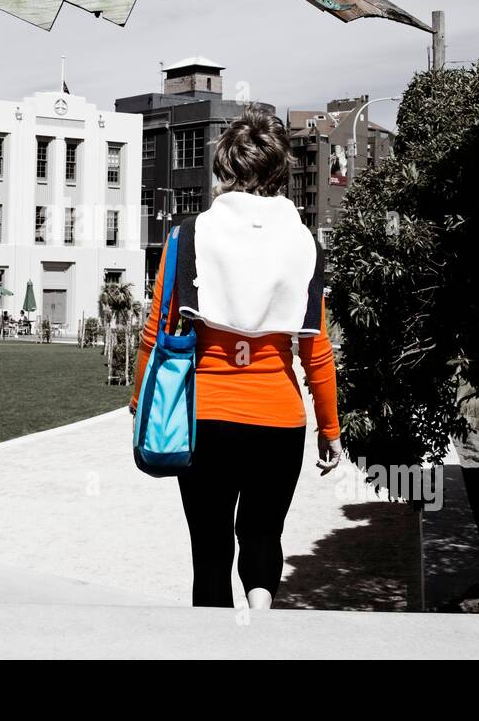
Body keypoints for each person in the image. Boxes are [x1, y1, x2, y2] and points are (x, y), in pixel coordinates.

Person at [130, 108, 341, 609]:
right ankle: (261, 624)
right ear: (280, 172)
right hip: (279, 420)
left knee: (210, 552)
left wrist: (140, 400)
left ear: (224, 169)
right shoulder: (303, 244)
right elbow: (316, 349)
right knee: (263, 535)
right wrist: (330, 429)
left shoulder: (190, 236)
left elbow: (153, 333)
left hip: (207, 418)